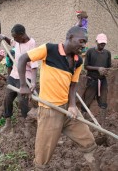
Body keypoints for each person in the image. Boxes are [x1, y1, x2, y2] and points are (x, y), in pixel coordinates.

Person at [18, 26, 98, 170]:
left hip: (67, 109)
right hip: (49, 111)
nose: (83, 45)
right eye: (81, 41)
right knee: (42, 157)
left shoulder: (78, 61)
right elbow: (23, 58)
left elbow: (73, 85)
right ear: (70, 37)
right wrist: (23, 85)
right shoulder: (49, 49)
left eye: (85, 42)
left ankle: (94, 166)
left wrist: (73, 105)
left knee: (88, 140)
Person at [0, 24, 38, 134]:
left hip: (25, 77)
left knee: (22, 101)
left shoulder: (31, 44)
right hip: (14, 75)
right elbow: (11, 42)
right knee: (7, 98)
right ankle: (8, 123)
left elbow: (34, 66)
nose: (14, 39)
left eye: (15, 37)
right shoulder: (17, 41)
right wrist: (3, 37)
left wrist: (33, 82)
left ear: (21, 35)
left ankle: (26, 125)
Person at [81, 33, 111, 127]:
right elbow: (86, 66)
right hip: (92, 80)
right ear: (96, 41)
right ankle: (83, 124)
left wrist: (106, 71)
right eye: (101, 43)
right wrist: (98, 69)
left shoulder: (107, 53)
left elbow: (108, 67)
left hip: (103, 81)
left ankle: (102, 125)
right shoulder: (90, 52)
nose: (102, 45)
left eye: (104, 44)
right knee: (87, 101)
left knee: (103, 101)